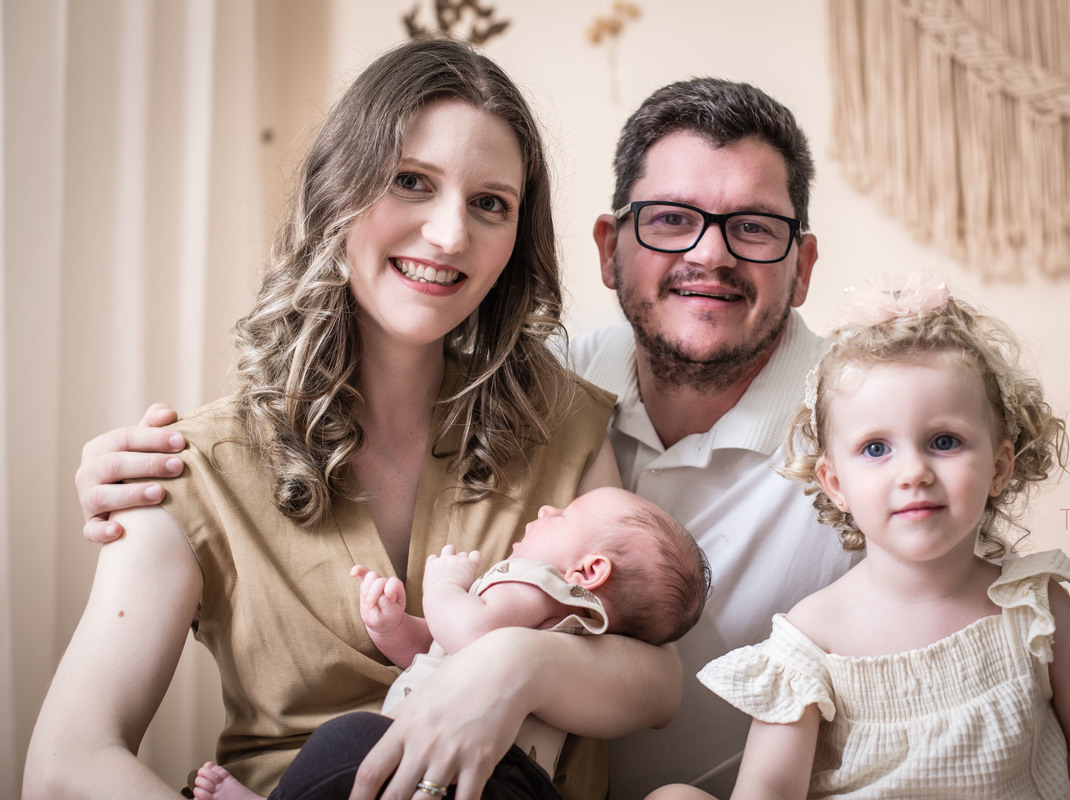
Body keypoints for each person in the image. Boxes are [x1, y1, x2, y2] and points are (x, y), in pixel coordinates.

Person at [71, 77, 855, 796]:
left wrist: (514, 664)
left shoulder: (560, 410)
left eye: (491, 204)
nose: (448, 235)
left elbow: (655, 682)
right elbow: (68, 762)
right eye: (410, 181)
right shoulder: (186, 463)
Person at [650, 278, 1070, 799]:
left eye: (944, 441)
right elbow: (771, 787)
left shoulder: (1032, 608)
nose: (913, 471)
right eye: (875, 449)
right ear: (836, 485)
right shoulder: (814, 638)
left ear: (1000, 467)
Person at [194, 486, 711, 800]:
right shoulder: (577, 624)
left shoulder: (539, 582)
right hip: (522, 785)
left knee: (344, 743)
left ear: (589, 570)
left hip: (470, 765)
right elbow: (444, 652)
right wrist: (397, 631)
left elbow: (472, 636)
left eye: (567, 515)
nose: (549, 510)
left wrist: (443, 586)